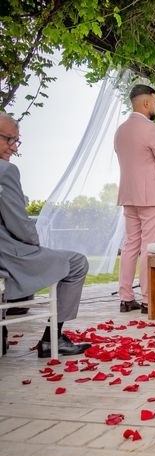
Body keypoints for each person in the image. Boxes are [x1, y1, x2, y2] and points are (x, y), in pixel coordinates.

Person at [0, 112, 91, 357]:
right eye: (9, 139)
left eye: (16, 141)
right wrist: (36, 245)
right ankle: (53, 337)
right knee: (77, 263)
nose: (13, 148)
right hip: (7, 256)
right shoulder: (5, 171)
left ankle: (3, 333)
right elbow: (19, 224)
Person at [114, 84, 155, 314]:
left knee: (130, 246)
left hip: (129, 195)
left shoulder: (120, 131)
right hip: (153, 196)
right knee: (149, 247)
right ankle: (148, 299)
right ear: (147, 102)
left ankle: (126, 297)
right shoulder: (152, 129)